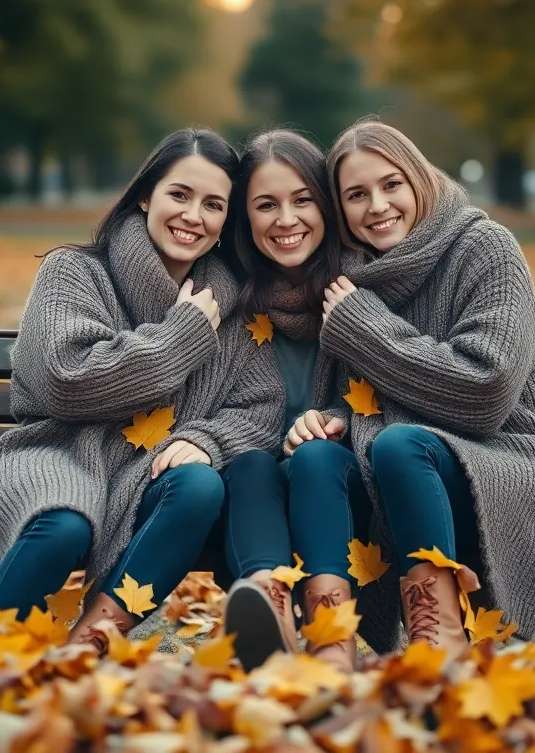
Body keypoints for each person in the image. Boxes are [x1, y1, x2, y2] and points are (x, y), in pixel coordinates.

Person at [0, 127, 283, 651]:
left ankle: (89, 642)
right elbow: (65, 381)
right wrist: (182, 336)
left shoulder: (234, 305)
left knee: (200, 486)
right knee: (64, 526)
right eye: (179, 195)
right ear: (145, 196)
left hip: (150, 475)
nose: (193, 216)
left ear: (226, 220)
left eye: (213, 205)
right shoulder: (74, 271)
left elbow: (260, 407)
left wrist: (206, 441)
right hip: (60, 455)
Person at [285, 117, 535, 660]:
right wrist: (328, 418)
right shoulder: (349, 274)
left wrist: (366, 330)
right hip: (393, 467)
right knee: (317, 457)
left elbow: (485, 392)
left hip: (498, 461)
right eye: (356, 194)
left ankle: (438, 637)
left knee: (400, 443)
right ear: (339, 208)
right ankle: (330, 639)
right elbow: (357, 396)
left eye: (391, 184)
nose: (377, 206)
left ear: (419, 179)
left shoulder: (486, 248)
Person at [218, 128, 399, 673]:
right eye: (265, 205)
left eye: (302, 200)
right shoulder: (227, 298)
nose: (286, 219)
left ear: (326, 206)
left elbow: (397, 395)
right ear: (244, 217)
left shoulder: (363, 287)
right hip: (252, 500)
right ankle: (270, 615)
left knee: (316, 457)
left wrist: (338, 420)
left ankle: (331, 637)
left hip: (343, 492)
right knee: (250, 464)